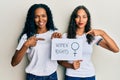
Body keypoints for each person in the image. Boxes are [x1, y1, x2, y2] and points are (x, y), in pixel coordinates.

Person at [58, 5, 119, 80]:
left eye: (84, 17)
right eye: (78, 16)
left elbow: (116, 49)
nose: (81, 20)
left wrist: (103, 33)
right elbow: (59, 61)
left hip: (89, 75)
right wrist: (71, 66)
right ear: (74, 19)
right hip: (72, 75)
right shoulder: (65, 36)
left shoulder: (91, 36)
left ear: (88, 19)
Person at [11, 4, 61, 80]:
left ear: (48, 17)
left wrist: (56, 43)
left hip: (52, 76)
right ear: (32, 19)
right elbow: (14, 63)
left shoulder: (54, 33)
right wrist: (26, 45)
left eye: (43, 16)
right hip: (33, 77)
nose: (40, 20)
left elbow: (60, 59)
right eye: (36, 17)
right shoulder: (27, 36)